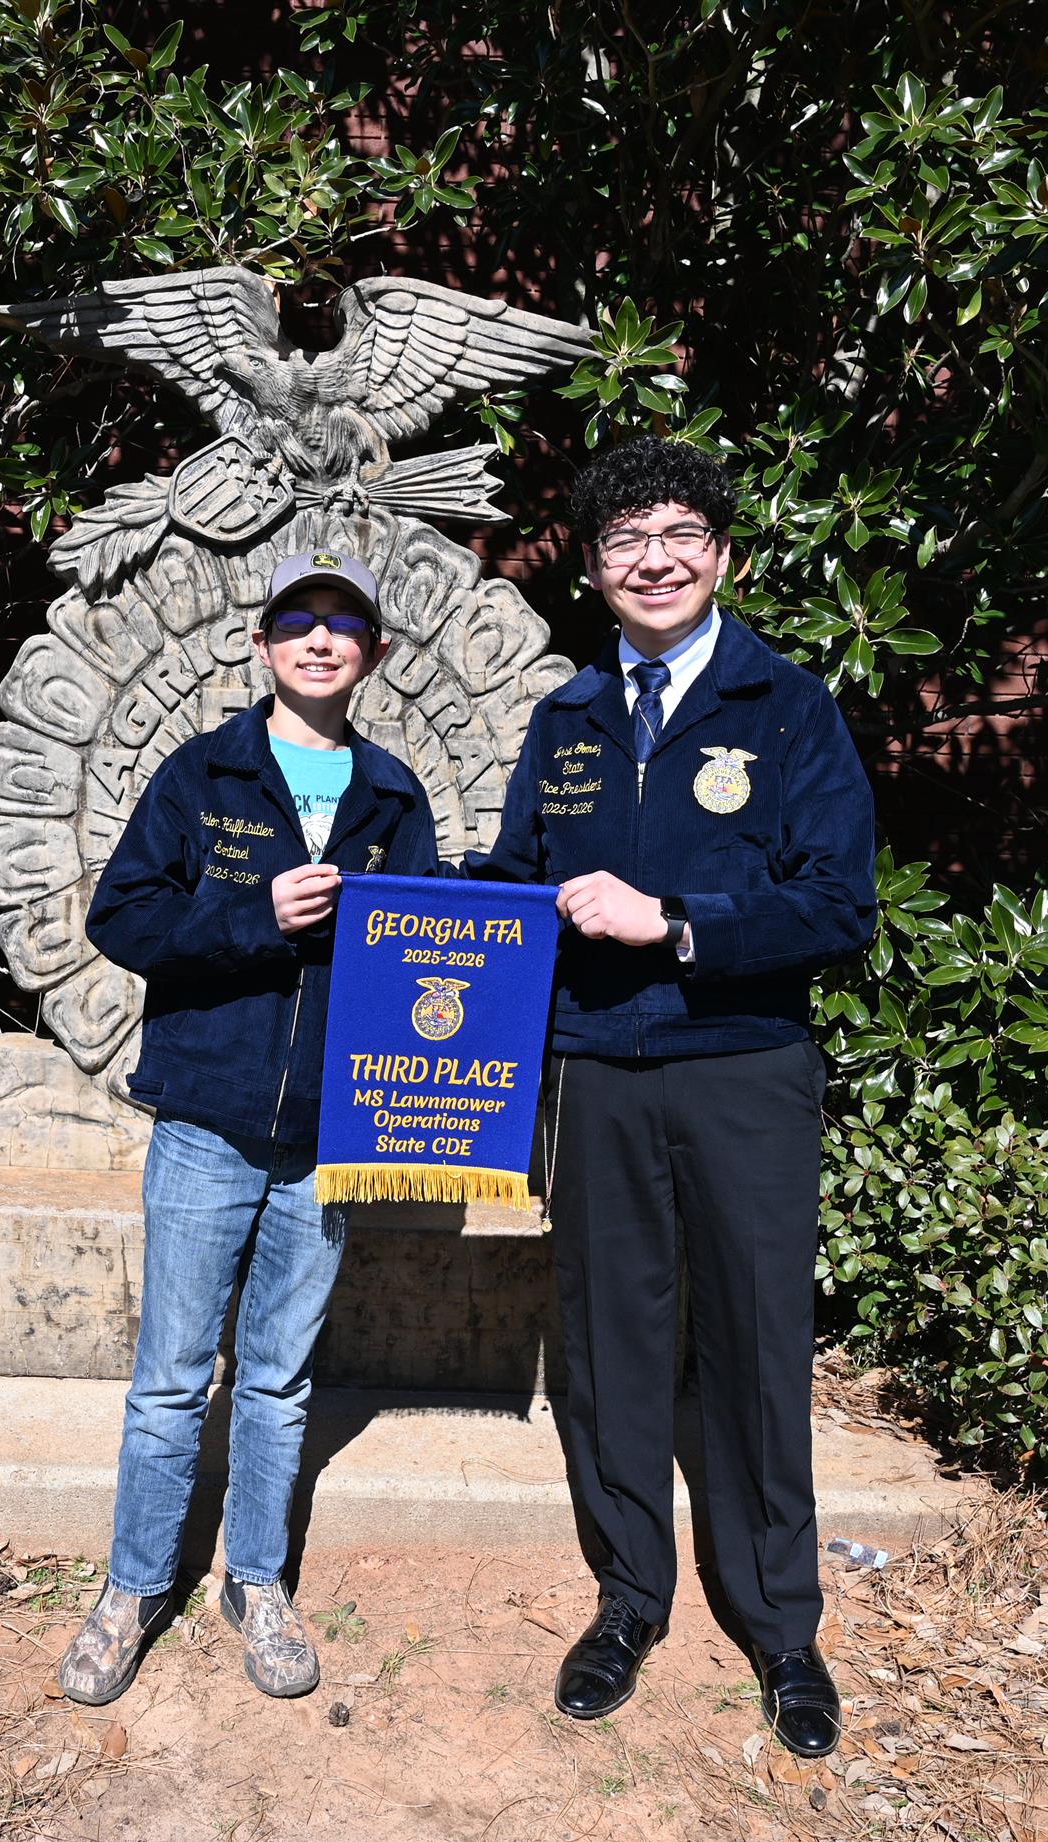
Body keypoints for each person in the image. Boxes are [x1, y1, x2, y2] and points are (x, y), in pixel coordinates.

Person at [472, 438, 878, 1756]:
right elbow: (518, 880)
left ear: (723, 556)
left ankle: (781, 1625)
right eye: (626, 540)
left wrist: (678, 919)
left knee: (756, 1342)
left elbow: (838, 905)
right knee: (609, 1343)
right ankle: (629, 1598)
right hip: (598, 1066)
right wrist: (400, 901)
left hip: (740, 1068)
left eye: (679, 534)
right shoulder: (568, 719)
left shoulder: (788, 706)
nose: (654, 560)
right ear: (594, 571)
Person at [58, 549, 443, 1707]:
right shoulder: (204, 773)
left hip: (326, 1136)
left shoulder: (393, 796)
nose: (320, 639)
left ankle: (257, 1581)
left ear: (373, 651)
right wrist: (252, 915)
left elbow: (428, 956)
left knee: (276, 1381)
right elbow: (122, 917)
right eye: (297, 621)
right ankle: (132, 1588)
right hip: (207, 1124)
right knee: (172, 1380)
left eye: (343, 623)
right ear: (264, 644)